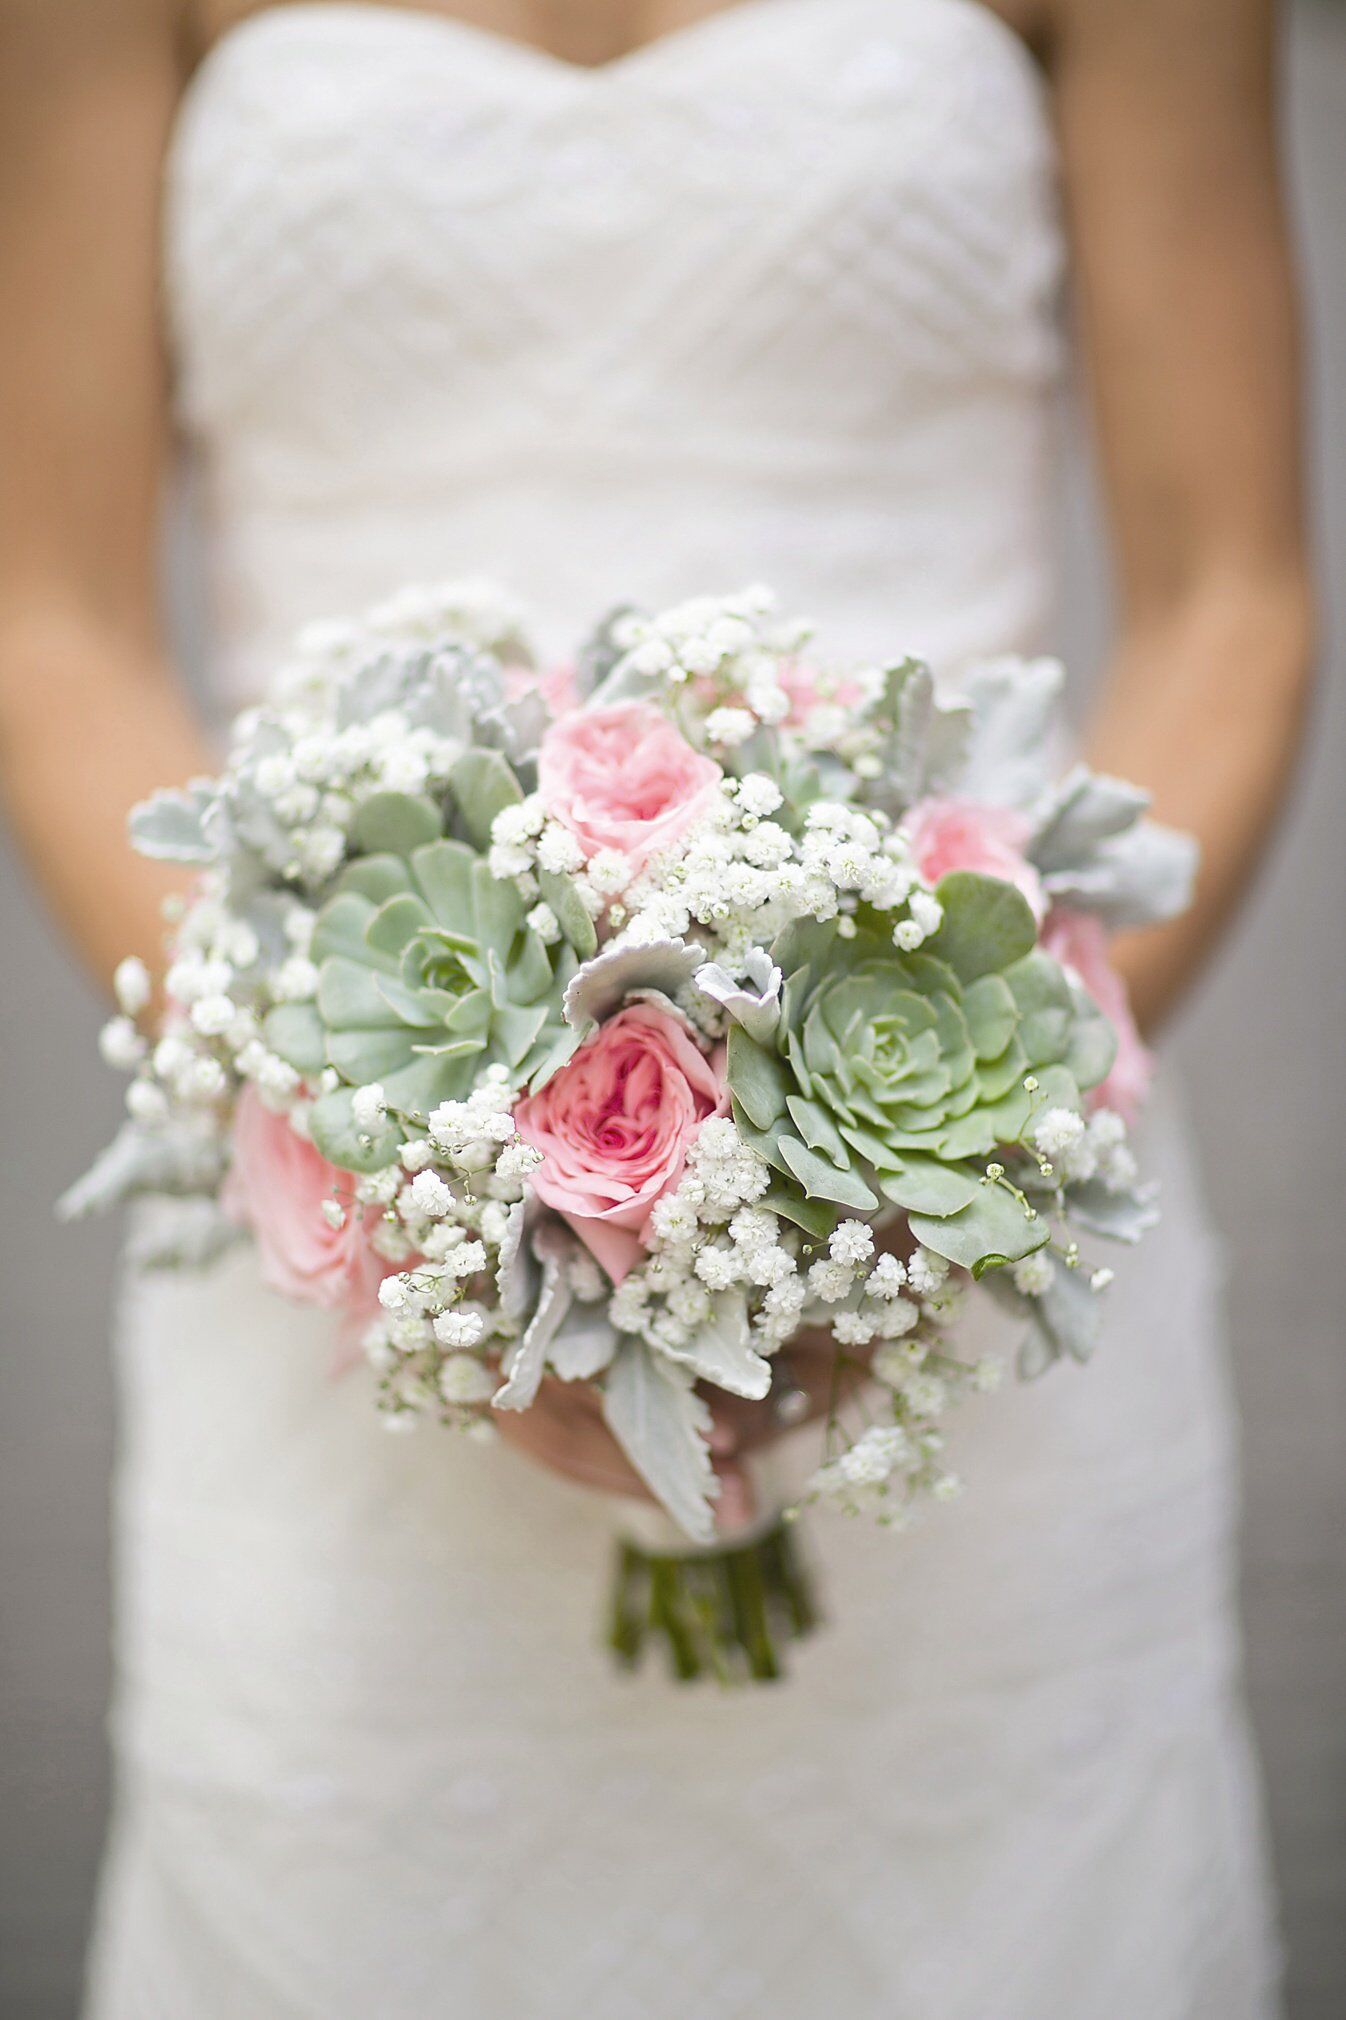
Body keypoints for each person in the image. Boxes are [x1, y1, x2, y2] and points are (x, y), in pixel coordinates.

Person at [0, 2, 1314, 2013]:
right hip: (351, 1222)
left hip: (970, 1239)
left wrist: (953, 1145)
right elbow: (51, 611)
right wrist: (410, 1201)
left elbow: (1234, 582)